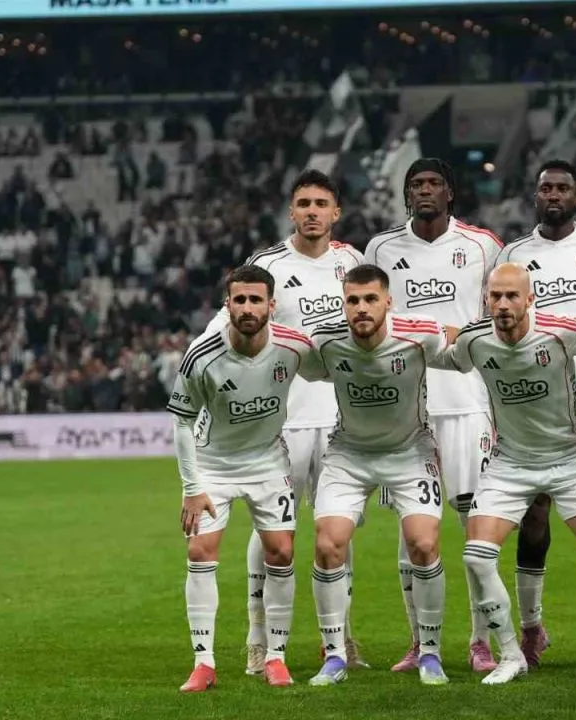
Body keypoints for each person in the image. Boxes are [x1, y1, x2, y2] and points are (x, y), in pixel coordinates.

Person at [205, 169, 367, 674]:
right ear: (291, 211)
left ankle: (339, 638)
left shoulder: (354, 262)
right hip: (283, 418)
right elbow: (226, 325)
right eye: (303, 203)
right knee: (270, 527)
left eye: (321, 203)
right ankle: (258, 639)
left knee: (337, 530)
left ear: (336, 211)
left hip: (341, 418)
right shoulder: (266, 264)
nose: (312, 212)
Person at [442, 263, 576, 685]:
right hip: (510, 462)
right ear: (486, 299)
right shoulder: (474, 340)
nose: (503, 304)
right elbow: (433, 350)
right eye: (495, 296)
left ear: (530, 299)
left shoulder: (561, 331)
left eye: (511, 296)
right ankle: (510, 654)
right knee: (476, 557)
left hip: (570, 457)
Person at [364, 158, 504, 673]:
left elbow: (502, 315)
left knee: (475, 527)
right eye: (416, 184)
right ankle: (419, 642)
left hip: (468, 403)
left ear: (450, 193)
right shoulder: (380, 249)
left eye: (434, 183)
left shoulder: (483, 246)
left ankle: (480, 641)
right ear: (407, 195)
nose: (425, 190)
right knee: (413, 533)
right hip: (405, 410)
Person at [493, 160, 576, 667]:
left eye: (562, 188)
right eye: (545, 188)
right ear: (535, 196)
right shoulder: (513, 255)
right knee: (534, 515)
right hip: (530, 403)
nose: (553, 195)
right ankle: (532, 628)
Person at [170, 265, 324, 692]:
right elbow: (182, 421)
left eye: (256, 300)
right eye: (239, 299)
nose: (248, 308)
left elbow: (334, 369)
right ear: (228, 304)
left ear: (272, 305)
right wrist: (192, 488)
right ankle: (203, 663)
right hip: (213, 464)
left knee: (281, 552)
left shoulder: (294, 346)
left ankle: (275, 657)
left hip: (268, 462)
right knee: (200, 551)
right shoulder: (202, 354)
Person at [303, 265, 450, 687]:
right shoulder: (325, 341)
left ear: (388, 301)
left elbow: (461, 345)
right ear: (343, 304)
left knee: (423, 544)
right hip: (349, 454)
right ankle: (335, 655)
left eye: (370, 299)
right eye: (353, 300)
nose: (362, 308)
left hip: (410, 452)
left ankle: (430, 652)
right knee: (328, 544)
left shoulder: (420, 334)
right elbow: (292, 359)